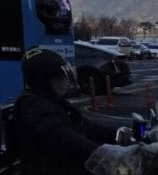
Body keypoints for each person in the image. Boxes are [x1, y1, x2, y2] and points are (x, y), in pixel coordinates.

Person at [13, 47, 145, 175]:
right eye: (59, 77)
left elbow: (83, 125)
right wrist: (104, 153)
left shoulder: (52, 100)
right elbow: (64, 138)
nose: (65, 81)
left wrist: (117, 134)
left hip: (69, 165)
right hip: (51, 169)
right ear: (42, 81)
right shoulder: (31, 106)